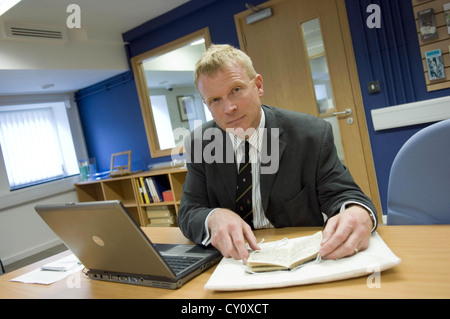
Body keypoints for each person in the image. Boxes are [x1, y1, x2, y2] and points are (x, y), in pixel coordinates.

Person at [177, 44, 377, 263]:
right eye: (215, 100)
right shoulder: (201, 143)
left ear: (258, 86)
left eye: (236, 90)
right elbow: (189, 211)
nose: (229, 108)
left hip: (300, 259)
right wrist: (212, 217)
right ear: (207, 105)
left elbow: (344, 195)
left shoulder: (310, 134)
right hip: (233, 262)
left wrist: (357, 212)